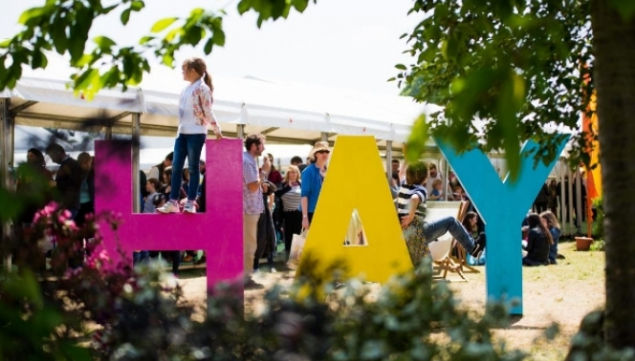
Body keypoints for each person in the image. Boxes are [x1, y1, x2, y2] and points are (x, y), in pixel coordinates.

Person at [158, 57, 222, 214]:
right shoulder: (186, 89)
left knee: (193, 168)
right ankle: (173, 201)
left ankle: (191, 202)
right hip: (182, 132)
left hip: (196, 133)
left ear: (193, 71)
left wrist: (216, 127)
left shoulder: (203, 88)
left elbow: (208, 110)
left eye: (184, 69)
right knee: (176, 167)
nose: (182, 72)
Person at [398, 161, 484, 266]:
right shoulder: (421, 190)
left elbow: (401, 173)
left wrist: (407, 158)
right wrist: (411, 216)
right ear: (425, 177)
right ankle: (473, 248)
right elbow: (414, 198)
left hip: (407, 234)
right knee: (451, 222)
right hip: (419, 232)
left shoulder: (403, 186)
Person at [243, 134, 266, 278]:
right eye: (262, 144)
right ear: (254, 146)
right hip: (248, 209)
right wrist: (264, 171)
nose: (264, 148)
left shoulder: (248, 160)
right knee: (249, 244)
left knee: (249, 243)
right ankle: (246, 277)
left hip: (248, 208)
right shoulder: (247, 161)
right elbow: (252, 186)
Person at [45, 143, 83, 218]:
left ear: (58, 153)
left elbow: (75, 184)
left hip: (70, 206)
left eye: (52, 156)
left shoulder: (72, 164)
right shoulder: (66, 164)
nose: (52, 159)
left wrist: (56, 184)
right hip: (66, 205)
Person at [301, 141, 330, 230]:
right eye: (321, 152)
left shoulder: (330, 171)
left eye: (327, 151)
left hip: (327, 211)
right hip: (311, 212)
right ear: (316, 154)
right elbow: (304, 195)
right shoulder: (308, 171)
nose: (324, 154)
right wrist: (305, 217)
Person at [275, 165, 302, 258]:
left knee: (298, 236)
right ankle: (287, 258)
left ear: (297, 174)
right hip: (287, 214)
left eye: (295, 172)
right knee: (288, 237)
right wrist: (288, 187)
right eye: (291, 172)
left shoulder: (301, 184)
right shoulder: (283, 184)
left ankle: (296, 259)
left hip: (299, 214)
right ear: (288, 174)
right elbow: (277, 194)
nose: (293, 174)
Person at [75, 152, 95, 226]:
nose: (84, 165)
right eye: (82, 163)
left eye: (86, 162)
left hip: (89, 204)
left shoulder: (93, 173)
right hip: (80, 205)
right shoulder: (79, 173)